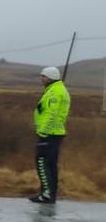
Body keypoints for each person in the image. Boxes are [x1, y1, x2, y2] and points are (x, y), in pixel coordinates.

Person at [30, 65, 71, 204]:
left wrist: (43, 130)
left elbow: (51, 113)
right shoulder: (56, 90)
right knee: (51, 165)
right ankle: (49, 193)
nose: (41, 79)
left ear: (50, 78)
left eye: (44, 76)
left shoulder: (55, 93)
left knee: (42, 162)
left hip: (49, 133)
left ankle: (47, 194)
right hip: (54, 133)